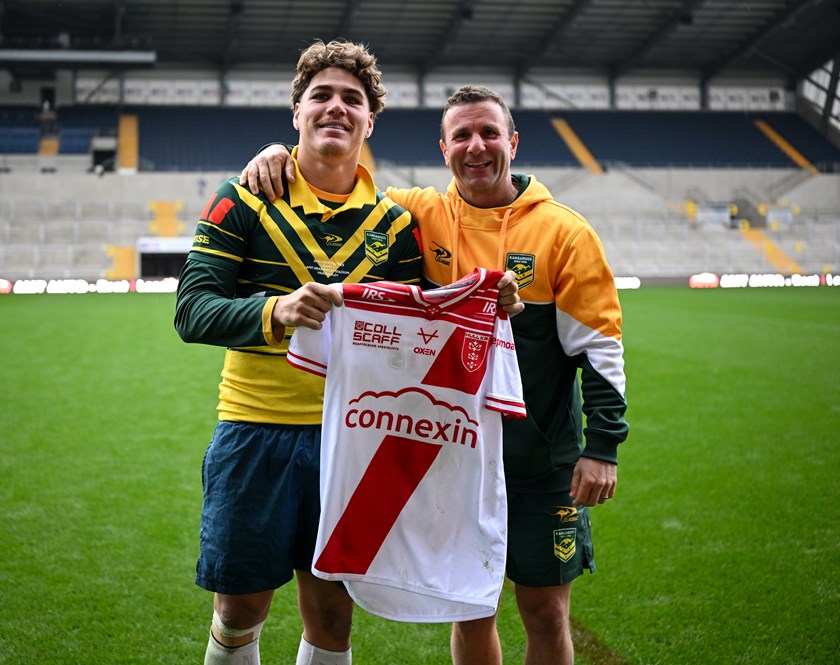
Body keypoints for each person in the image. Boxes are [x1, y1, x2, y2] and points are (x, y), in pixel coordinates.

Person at [240, 84, 629, 665]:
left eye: (489, 133)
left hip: (539, 459)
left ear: (513, 143)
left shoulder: (564, 233)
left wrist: (602, 447)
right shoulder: (414, 213)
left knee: (546, 611)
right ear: (443, 148)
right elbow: (335, 180)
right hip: (457, 457)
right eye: (462, 136)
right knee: (471, 608)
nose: (477, 147)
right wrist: (277, 154)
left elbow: (599, 347)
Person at [176, 43, 520, 664]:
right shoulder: (243, 199)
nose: (336, 107)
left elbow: (421, 323)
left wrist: (487, 305)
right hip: (256, 430)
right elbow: (192, 311)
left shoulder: (394, 223)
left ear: (369, 121)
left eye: (352, 100)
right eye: (321, 96)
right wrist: (273, 311)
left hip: (355, 442)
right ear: (297, 113)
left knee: (332, 615)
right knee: (240, 608)